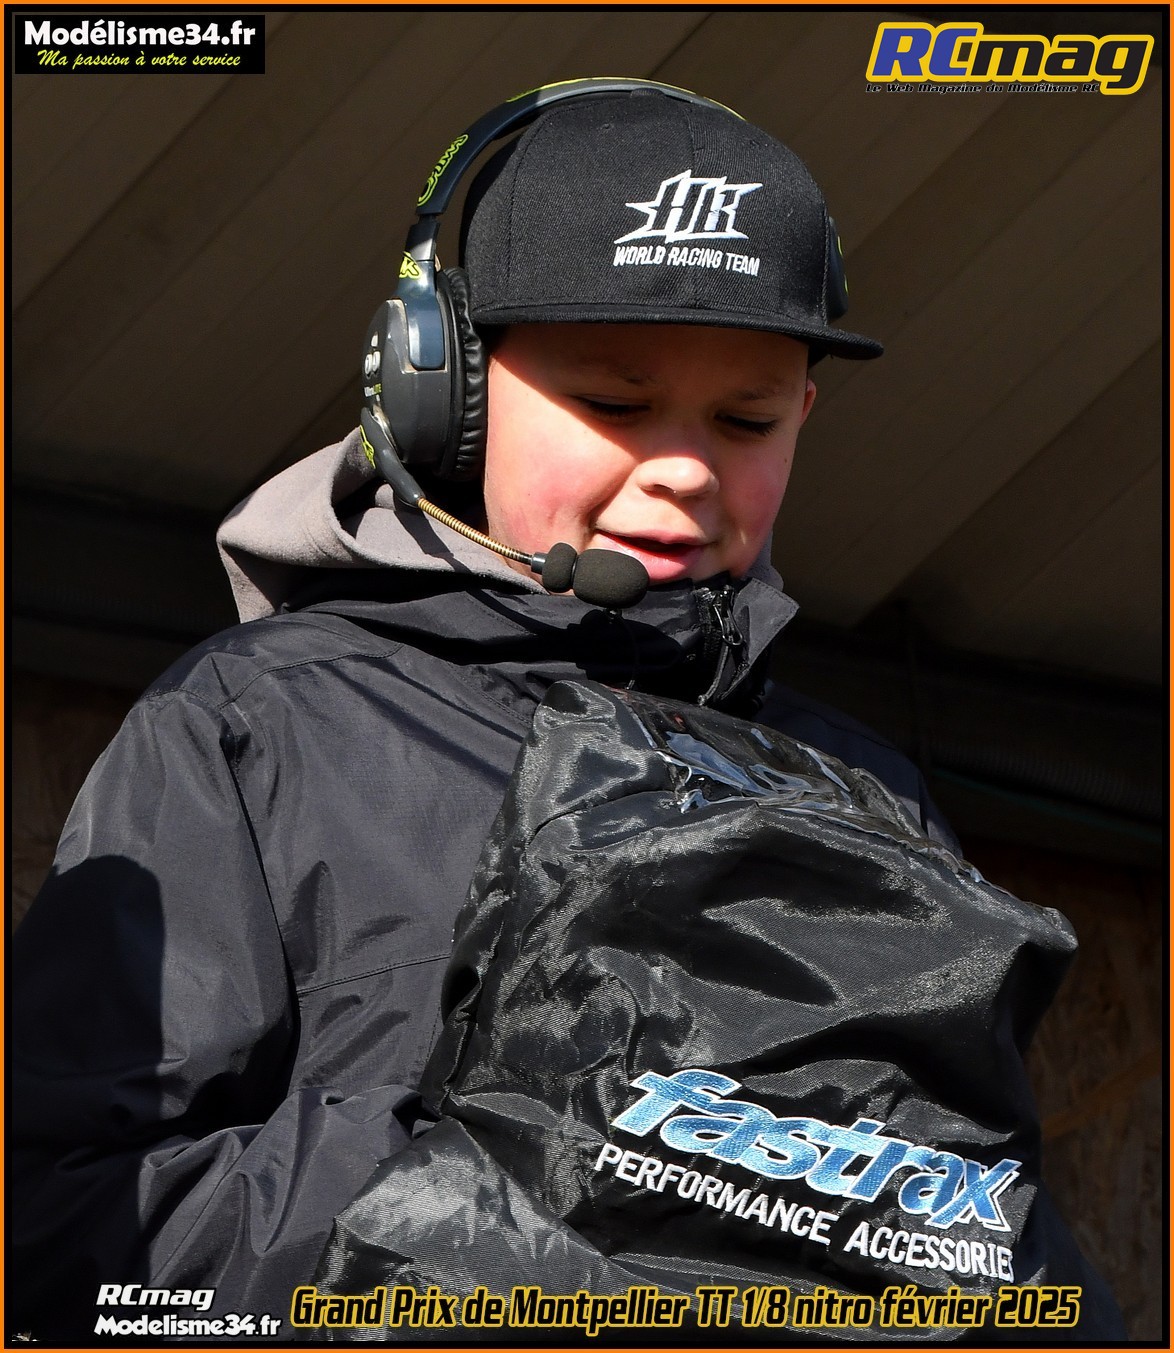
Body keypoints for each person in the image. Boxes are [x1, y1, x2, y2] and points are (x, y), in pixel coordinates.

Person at [11, 80, 1101, 1345]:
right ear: (445, 391)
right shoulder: (264, 725)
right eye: (616, 405)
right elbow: (66, 1243)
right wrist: (485, 1170)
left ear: (802, 416)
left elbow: (991, 1251)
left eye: (745, 419)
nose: (684, 466)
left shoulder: (869, 797)